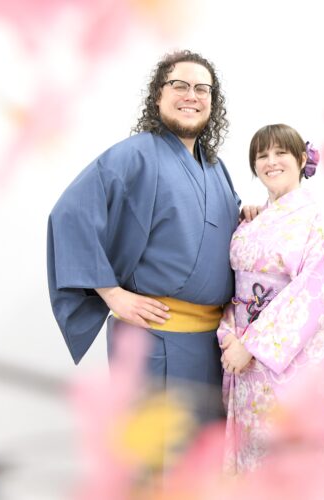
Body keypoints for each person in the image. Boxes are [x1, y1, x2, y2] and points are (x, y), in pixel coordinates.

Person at [47, 50, 242, 426]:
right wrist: (111, 292)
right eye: (180, 85)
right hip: (153, 339)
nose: (191, 96)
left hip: (212, 344)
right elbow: (72, 215)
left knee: (202, 454)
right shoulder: (134, 156)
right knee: (153, 449)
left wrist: (249, 215)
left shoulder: (216, 168)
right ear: (158, 95)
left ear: (212, 101)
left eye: (202, 89)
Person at [217, 124, 324, 474]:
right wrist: (229, 335)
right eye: (262, 155)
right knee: (252, 465)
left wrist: (251, 345)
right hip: (245, 363)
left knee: (289, 463)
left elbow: (319, 290)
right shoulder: (250, 221)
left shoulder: (319, 219)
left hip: (283, 360)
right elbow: (234, 289)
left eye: (281, 152)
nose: (271, 161)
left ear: (301, 160)